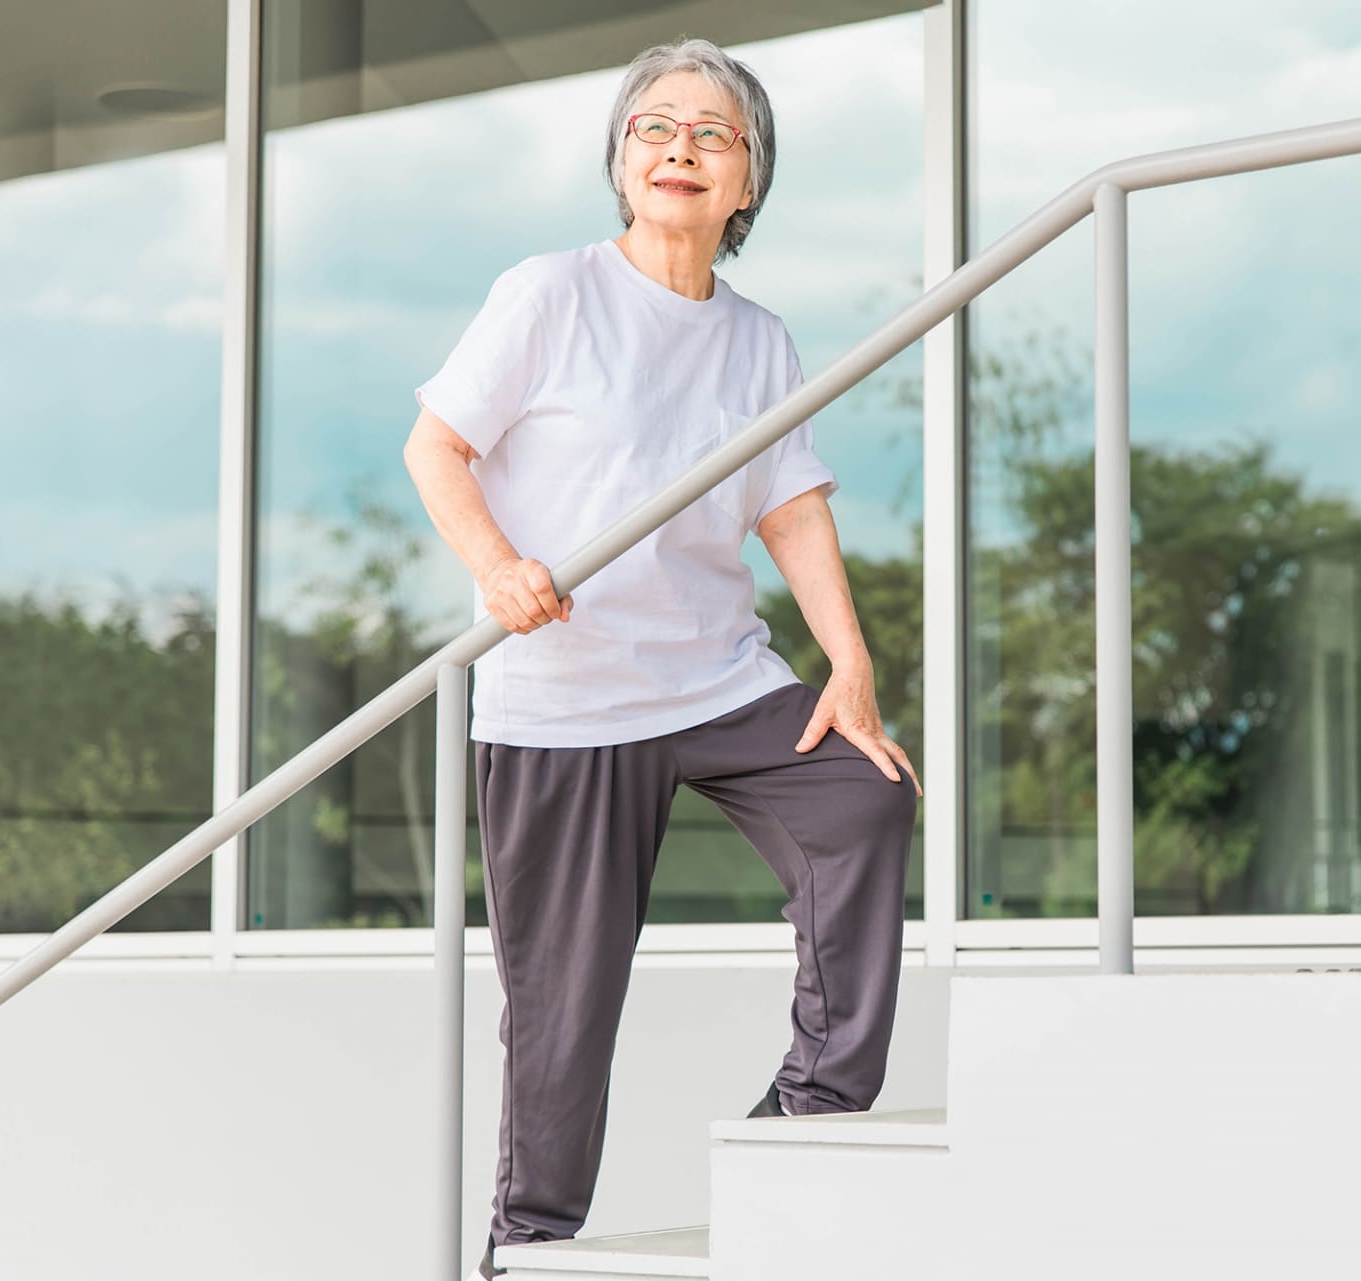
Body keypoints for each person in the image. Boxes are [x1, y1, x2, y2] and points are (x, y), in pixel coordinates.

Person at [401, 38, 921, 1281]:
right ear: (622, 166)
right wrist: (500, 566)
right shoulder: (551, 293)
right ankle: (527, 1248)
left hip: (718, 678)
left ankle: (811, 1115)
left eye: (713, 133)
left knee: (863, 798)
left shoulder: (758, 339)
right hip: (566, 700)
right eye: (655, 128)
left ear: (747, 187)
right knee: (563, 1019)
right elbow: (436, 449)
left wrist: (847, 667)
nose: (680, 146)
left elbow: (791, 510)